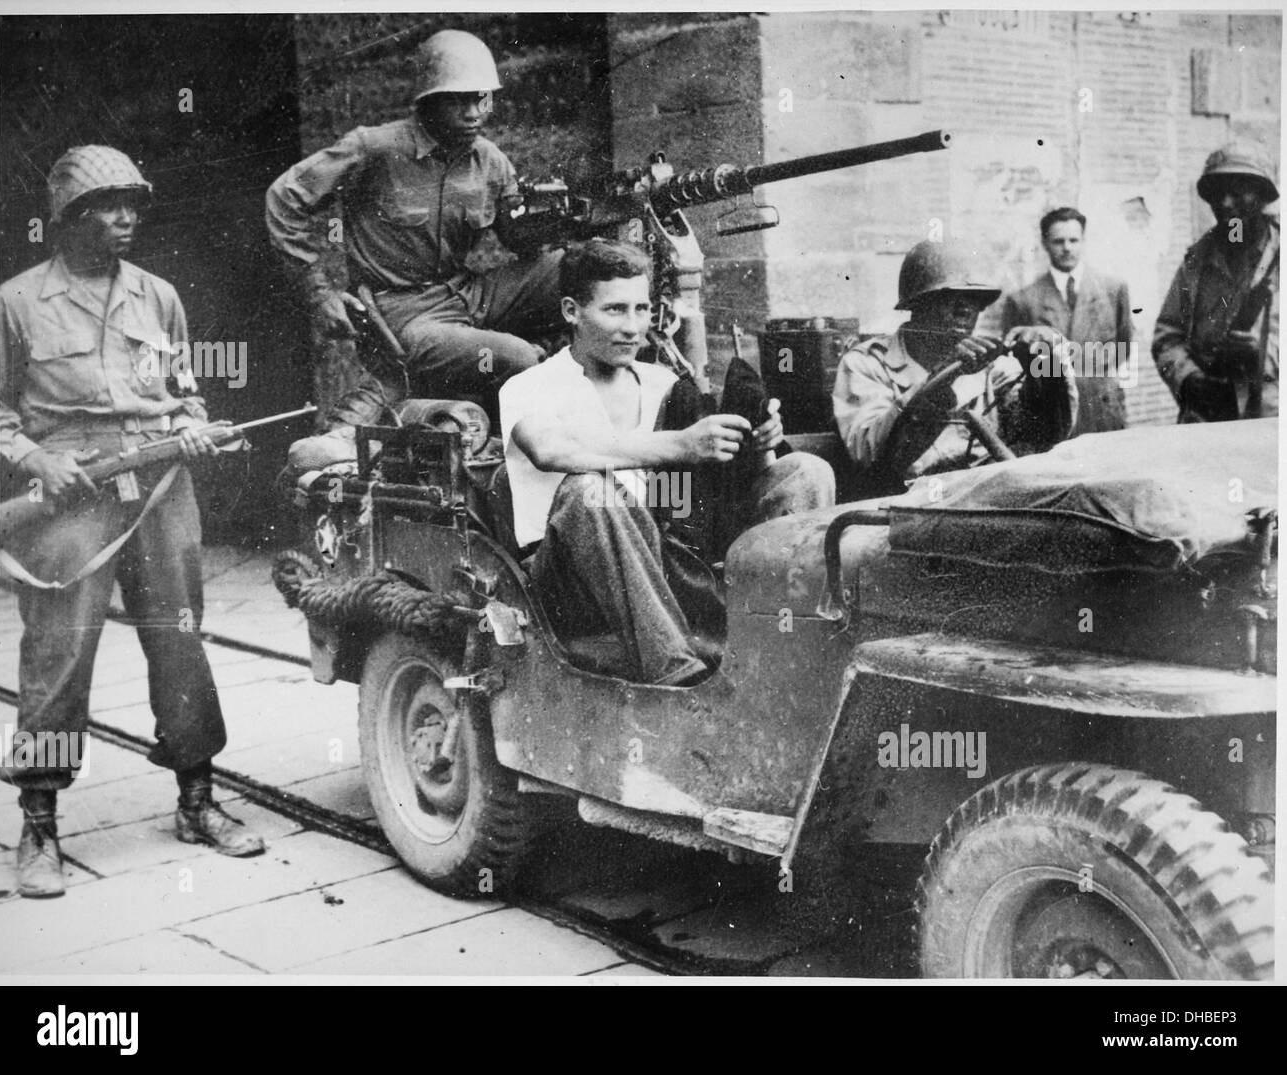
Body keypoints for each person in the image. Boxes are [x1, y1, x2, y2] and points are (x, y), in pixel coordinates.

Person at [0, 145, 265, 899]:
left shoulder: (158, 296)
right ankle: (41, 821)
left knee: (180, 635)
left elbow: (183, 392)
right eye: (109, 206)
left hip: (157, 485)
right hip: (71, 490)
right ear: (69, 218)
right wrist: (36, 460)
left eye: (133, 205)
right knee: (58, 651)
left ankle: (197, 798)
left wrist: (197, 424)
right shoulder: (14, 303)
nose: (127, 218)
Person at [500, 239, 834, 686]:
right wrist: (682, 444)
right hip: (570, 584)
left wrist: (758, 439)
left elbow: (693, 487)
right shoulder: (529, 386)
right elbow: (553, 451)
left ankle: (794, 644)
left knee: (805, 471)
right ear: (571, 311)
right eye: (615, 310)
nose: (633, 327)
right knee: (590, 491)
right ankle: (678, 674)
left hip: (665, 556)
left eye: (643, 310)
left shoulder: (664, 382)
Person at [268, 29, 565, 469]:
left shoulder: (490, 159)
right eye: (457, 101)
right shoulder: (375, 147)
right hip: (403, 313)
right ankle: (532, 456)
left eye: (481, 99)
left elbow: (515, 239)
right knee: (516, 356)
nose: (473, 114)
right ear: (426, 101)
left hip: (468, 294)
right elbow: (285, 198)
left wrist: (552, 219)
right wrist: (321, 293)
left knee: (579, 271)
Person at [833, 239, 1061, 487]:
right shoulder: (867, 363)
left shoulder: (991, 368)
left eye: (974, 299)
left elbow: (1040, 435)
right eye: (950, 297)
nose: (965, 309)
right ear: (917, 304)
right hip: (901, 507)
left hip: (980, 502)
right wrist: (941, 379)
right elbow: (869, 454)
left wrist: (1046, 366)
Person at [1153, 139, 1279, 422]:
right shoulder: (1197, 261)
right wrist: (1189, 379)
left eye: (1237, 192)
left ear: (1261, 195)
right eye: (1218, 194)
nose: (1225, 204)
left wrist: (1263, 352)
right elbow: (1167, 336)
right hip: (1208, 417)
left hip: (1272, 421)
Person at [995, 207, 1134, 433]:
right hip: (1051, 419)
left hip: (1103, 412)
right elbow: (1014, 367)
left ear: (1083, 241)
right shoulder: (1022, 301)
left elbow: (1124, 346)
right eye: (1058, 241)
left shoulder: (1113, 289)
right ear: (1045, 243)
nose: (1067, 248)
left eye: (1073, 240)